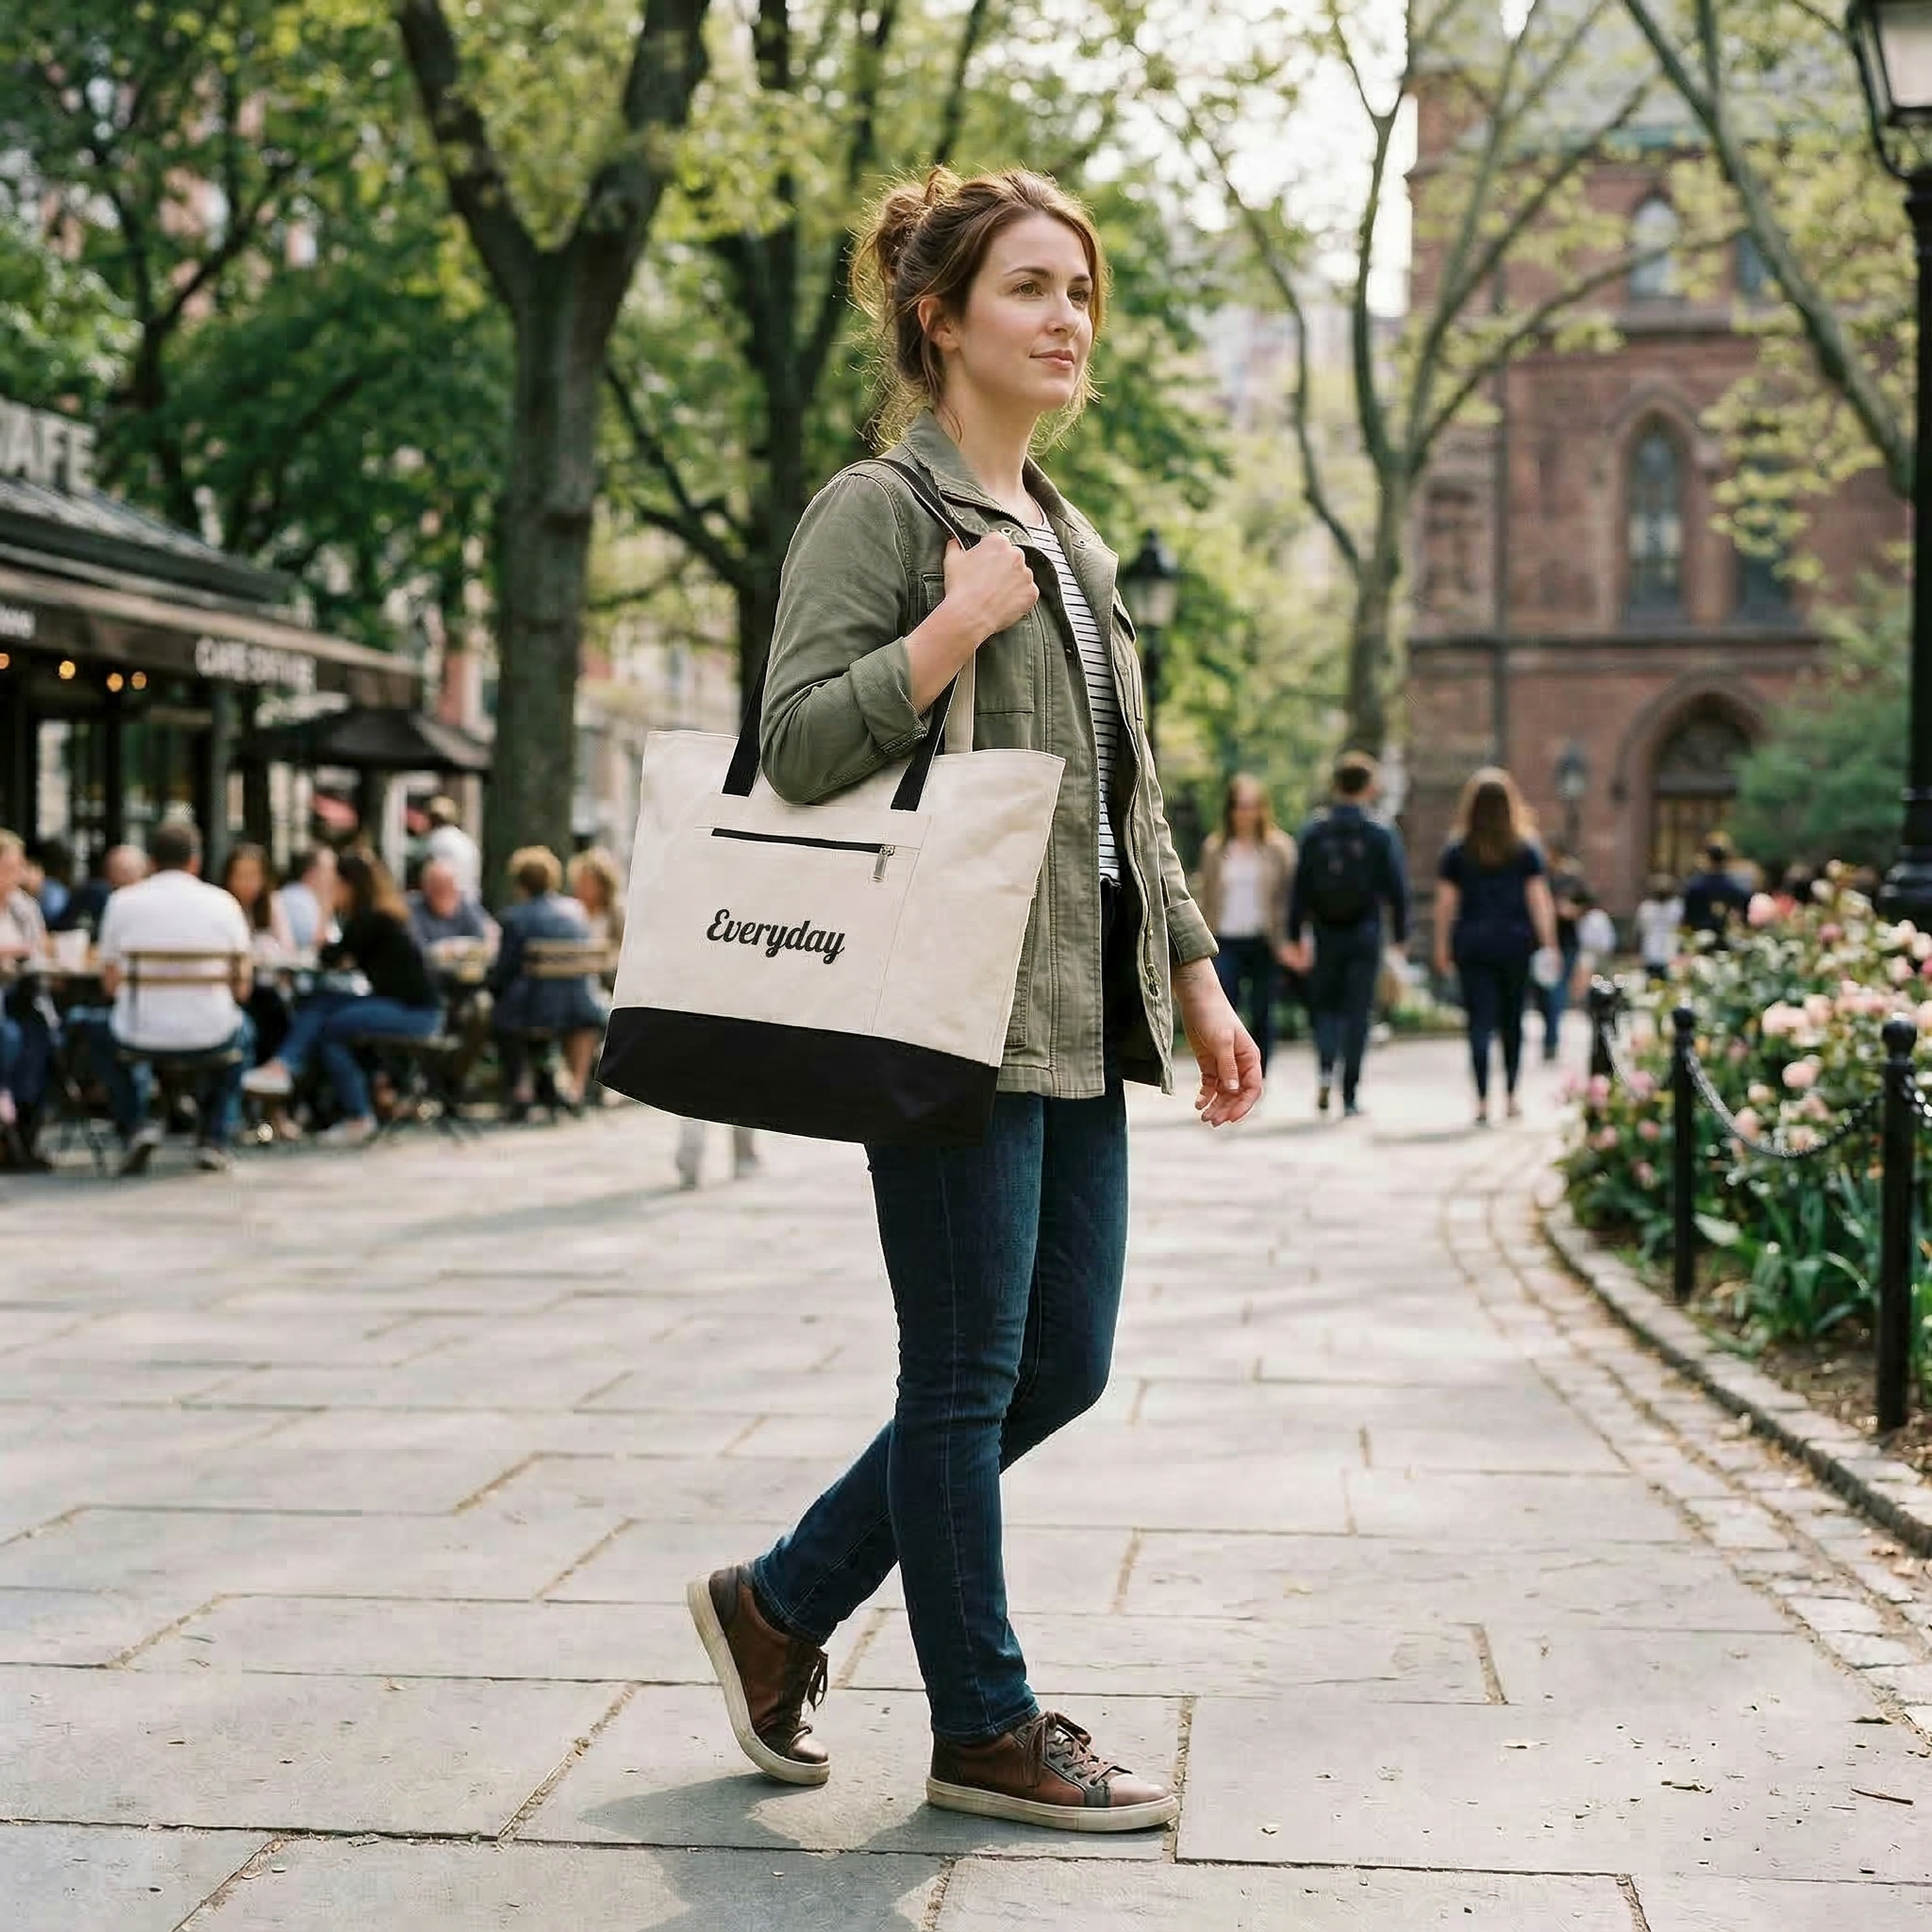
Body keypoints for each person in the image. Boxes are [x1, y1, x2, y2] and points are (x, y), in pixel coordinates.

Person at [683, 168, 1259, 1837]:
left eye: (1079, 289)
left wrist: (1197, 972)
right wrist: (946, 627)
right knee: (959, 1368)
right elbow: (796, 746)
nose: (1065, 318)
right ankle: (984, 1723)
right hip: (941, 1001)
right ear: (939, 318)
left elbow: (1126, 802)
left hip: (1078, 1003)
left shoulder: (1069, 535)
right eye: (1027, 288)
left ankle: (780, 1600)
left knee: (1057, 1362)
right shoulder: (880, 510)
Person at [87, 820, 256, 1174]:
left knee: (89, 1030)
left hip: (139, 1032)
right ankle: (214, 1136)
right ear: (195, 861)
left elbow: (109, 986)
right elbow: (242, 989)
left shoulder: (122, 902)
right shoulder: (224, 904)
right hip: (212, 1034)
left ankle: (134, 1124)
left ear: (151, 862)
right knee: (247, 1034)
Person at [242, 849, 441, 1146]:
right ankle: (286, 1067)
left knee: (330, 1029)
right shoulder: (382, 915)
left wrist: (324, 907)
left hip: (413, 1014)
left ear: (349, 885)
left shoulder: (371, 919)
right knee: (324, 1003)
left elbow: (329, 955)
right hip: (405, 1006)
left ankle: (355, 1112)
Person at [1432, 767, 1559, 1126]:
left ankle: (1483, 1101)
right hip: (1515, 945)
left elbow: (1445, 905)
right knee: (1513, 1022)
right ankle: (1512, 1096)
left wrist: (1442, 945)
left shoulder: (1458, 851)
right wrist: (1549, 944)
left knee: (1479, 1024)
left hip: (1472, 945)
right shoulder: (1525, 849)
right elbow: (1539, 901)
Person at [1286, 751, 1410, 1118]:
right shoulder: (1380, 831)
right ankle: (1350, 1094)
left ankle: (1325, 1069)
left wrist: (1295, 933)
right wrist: (1402, 934)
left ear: (1336, 785)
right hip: (1365, 932)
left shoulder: (1315, 830)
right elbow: (1398, 889)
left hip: (1325, 932)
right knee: (1358, 1011)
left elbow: (1300, 888)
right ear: (1369, 787)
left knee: (1325, 1006)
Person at [489, 846, 608, 1114]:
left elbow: (503, 972)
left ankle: (522, 1085)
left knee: (500, 1014)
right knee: (581, 1021)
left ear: (520, 883)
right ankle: (575, 1088)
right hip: (581, 1006)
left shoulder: (516, 917)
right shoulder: (576, 911)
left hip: (534, 1008)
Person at [1191, 774, 1296, 1075]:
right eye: (1240, 806)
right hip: (1224, 940)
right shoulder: (1214, 848)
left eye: (1252, 806)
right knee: (1225, 1009)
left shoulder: (1280, 848)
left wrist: (1292, 942)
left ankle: (1259, 1073)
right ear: (1230, 810)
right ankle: (1229, 1071)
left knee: (1263, 1010)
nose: (1246, 813)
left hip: (1265, 940)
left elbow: (1291, 900)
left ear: (1263, 809)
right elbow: (1205, 896)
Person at [0, 828, 56, 1153]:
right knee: (7, 1037)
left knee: (43, 1037)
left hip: (25, 993)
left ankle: (23, 1132)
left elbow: (40, 949)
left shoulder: (24, 907)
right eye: (8, 867)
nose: (15, 875)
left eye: (17, 867)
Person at [1539, 845, 1588, 1064]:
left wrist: (1572, 911)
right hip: (1541, 945)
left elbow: (1589, 903)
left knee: (1556, 991)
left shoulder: (1572, 881)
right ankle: (1550, 1033)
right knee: (1542, 994)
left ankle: (1551, 1040)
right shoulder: (1542, 879)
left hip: (1566, 943)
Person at [54, 844, 149, 937]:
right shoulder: (92, 895)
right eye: (114, 869)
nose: (120, 876)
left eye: (128, 871)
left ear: (143, 874)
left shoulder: (147, 904)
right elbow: (59, 931)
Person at [408, 857, 496, 953]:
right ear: (425, 887)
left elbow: (481, 938)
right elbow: (417, 948)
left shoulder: (466, 905)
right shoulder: (412, 909)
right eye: (437, 886)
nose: (444, 891)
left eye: (449, 885)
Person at [1680, 833, 1750, 941]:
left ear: (1708, 859)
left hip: (1698, 939)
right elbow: (1743, 914)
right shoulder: (1735, 887)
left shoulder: (1695, 886)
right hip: (1727, 940)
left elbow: (1687, 918)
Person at [275, 847, 338, 954]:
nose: (334, 876)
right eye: (330, 870)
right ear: (311, 871)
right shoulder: (296, 898)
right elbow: (316, 943)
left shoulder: (314, 899)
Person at [424, 795, 482, 902]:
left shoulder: (437, 839)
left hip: (451, 900)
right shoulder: (464, 839)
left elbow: (432, 876)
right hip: (471, 898)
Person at [1636, 872, 1683, 983]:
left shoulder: (1676, 907)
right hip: (1651, 951)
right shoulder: (1646, 907)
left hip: (1670, 951)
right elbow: (1640, 931)